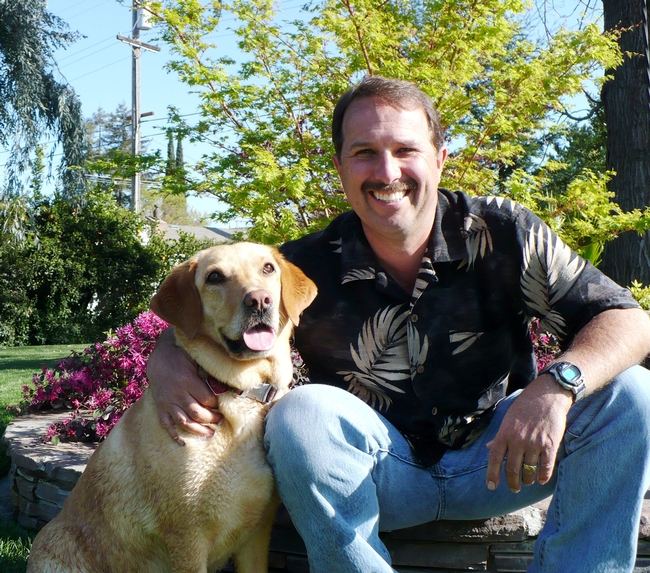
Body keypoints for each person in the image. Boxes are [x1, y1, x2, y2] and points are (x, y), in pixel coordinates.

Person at [147, 76, 650, 573]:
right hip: (377, 475)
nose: (386, 171)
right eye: (364, 152)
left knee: (633, 392)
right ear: (340, 167)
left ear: (439, 158)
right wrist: (164, 359)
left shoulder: (504, 233)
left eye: (405, 149)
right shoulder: (302, 269)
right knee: (301, 411)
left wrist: (556, 387)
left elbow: (628, 319)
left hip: (503, 463)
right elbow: (212, 315)